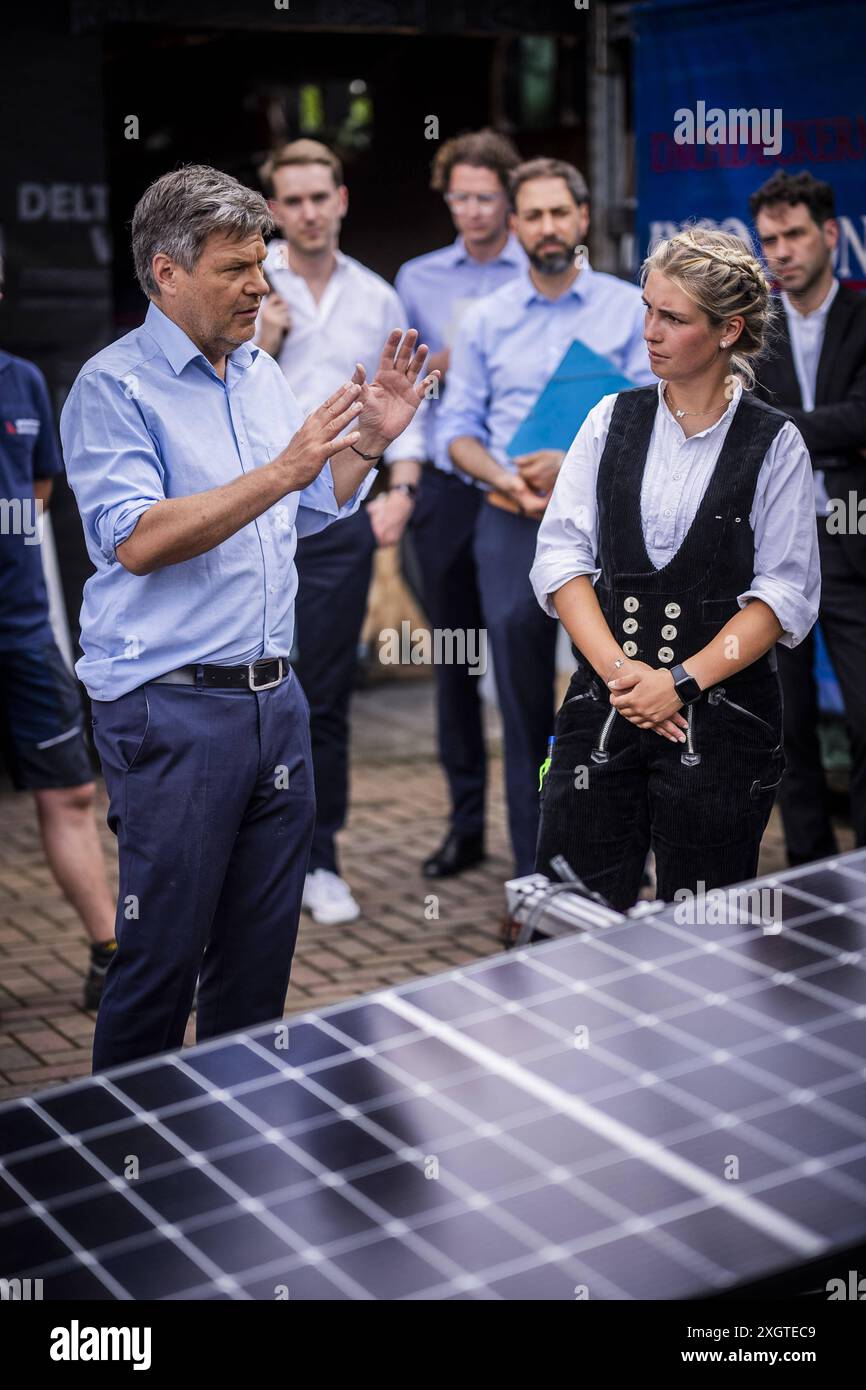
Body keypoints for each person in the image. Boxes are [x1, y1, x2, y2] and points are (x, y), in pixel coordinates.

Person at [61, 165, 436, 1070]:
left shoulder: (260, 371)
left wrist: (369, 446)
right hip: (172, 710)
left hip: (278, 702)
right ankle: (125, 1162)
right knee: (159, 960)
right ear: (166, 273)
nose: (261, 286)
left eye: (260, 265)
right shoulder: (112, 389)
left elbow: (307, 508)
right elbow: (137, 540)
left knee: (260, 964)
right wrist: (287, 467)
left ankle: (235, 1149)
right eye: (236, 269)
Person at [529, 228, 820, 911]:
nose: (651, 332)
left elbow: (781, 595)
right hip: (604, 706)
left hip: (724, 723)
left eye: (675, 318)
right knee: (571, 917)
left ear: (728, 331)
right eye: (648, 309)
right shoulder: (610, 419)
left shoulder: (775, 443)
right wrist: (624, 677)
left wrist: (680, 684)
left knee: (702, 934)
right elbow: (563, 557)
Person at [438, 157, 653, 880]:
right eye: (533, 215)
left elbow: (657, 417)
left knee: (626, 686)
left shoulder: (631, 308)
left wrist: (576, 466)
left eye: (560, 212)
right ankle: (538, 867)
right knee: (523, 703)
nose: (548, 227)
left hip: (613, 523)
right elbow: (457, 429)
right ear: (515, 223)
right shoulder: (487, 319)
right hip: (510, 516)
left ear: (584, 218)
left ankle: (618, 860)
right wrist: (505, 476)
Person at [255, 139, 425, 926]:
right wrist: (266, 345)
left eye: (320, 196)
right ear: (273, 210)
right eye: (291, 200)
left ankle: (320, 857)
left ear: (342, 200)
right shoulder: (250, 287)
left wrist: (404, 487)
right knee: (243, 691)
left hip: (339, 514)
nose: (308, 212)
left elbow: (405, 400)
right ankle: (251, 858)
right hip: (251, 517)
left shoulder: (377, 294)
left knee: (322, 695)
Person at [396, 129, 526, 880]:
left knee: (526, 663)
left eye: (486, 196)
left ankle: (543, 821)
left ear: (507, 199)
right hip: (447, 486)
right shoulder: (418, 278)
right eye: (461, 197)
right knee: (455, 661)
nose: (473, 210)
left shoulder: (537, 273)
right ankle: (465, 827)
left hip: (519, 487)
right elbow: (407, 385)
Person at [0, 254, 117, 1009]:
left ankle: (110, 951)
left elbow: (38, 491)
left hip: (21, 630)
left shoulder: (24, 379)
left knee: (73, 790)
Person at [750, 169, 866, 865]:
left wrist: (780, 426)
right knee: (784, 724)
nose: (782, 251)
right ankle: (809, 869)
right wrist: (836, 431)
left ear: (829, 234)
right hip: (778, 549)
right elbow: (741, 421)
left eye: (794, 234)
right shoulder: (753, 330)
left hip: (855, 541)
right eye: (769, 240)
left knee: (864, 716)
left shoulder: (863, 316)